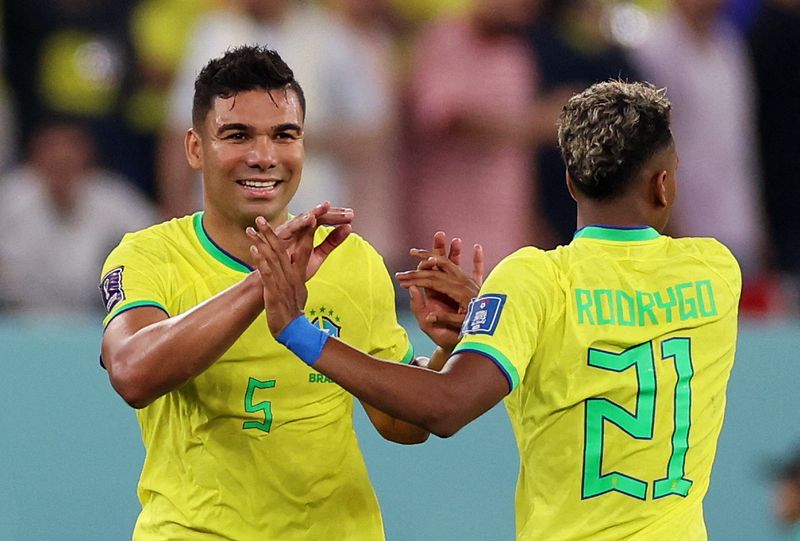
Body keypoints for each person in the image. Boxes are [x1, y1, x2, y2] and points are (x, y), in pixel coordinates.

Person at [250, 80, 742, 540]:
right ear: (662, 185)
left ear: (570, 182)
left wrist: (298, 329)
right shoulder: (716, 273)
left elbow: (445, 407)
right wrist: (498, 315)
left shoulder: (537, 280)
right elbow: (619, 320)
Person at [98, 45, 479, 540]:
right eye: (237, 135)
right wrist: (268, 280)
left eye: (285, 135)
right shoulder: (149, 256)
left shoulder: (352, 259)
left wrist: (447, 348)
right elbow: (132, 373)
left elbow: (399, 426)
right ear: (195, 148)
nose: (264, 157)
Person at [0, 118, 156, 315]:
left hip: (94, 318)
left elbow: (157, 245)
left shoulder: (113, 198)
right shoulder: (10, 197)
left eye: (69, 153)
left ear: (87, 156)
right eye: (51, 151)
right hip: (16, 321)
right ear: (34, 155)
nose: (60, 157)